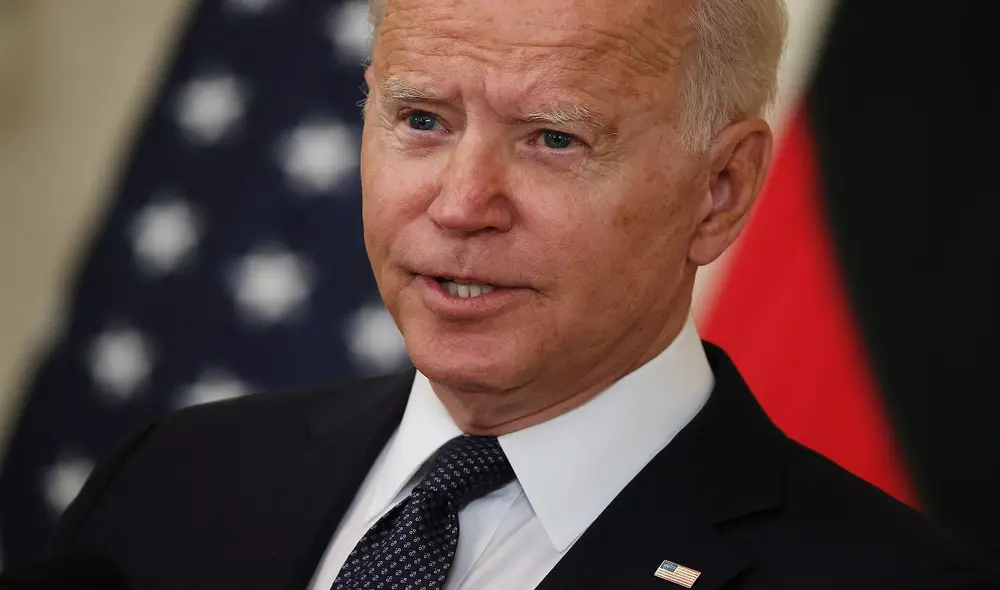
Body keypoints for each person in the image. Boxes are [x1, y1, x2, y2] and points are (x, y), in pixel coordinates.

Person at [43, 0, 998, 588]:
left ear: (721, 191)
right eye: (421, 119)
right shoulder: (173, 478)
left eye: (553, 139)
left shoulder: (889, 579)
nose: (461, 205)